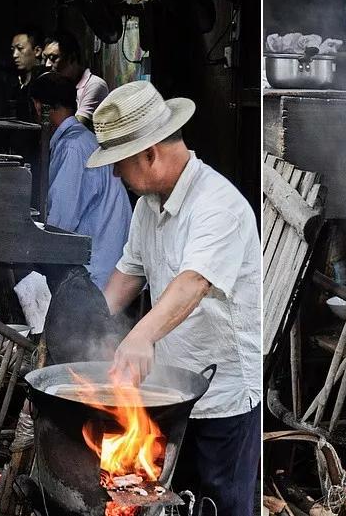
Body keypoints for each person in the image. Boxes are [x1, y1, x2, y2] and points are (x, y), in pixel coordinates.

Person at [88, 81, 261, 516]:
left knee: (221, 506)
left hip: (224, 399)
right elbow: (130, 273)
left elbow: (192, 283)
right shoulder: (148, 205)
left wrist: (140, 336)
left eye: (119, 163)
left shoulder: (218, 205)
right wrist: (87, 326)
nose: (114, 175)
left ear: (150, 154)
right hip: (172, 393)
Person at [28, 72, 132, 290]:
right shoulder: (80, 139)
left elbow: (60, 223)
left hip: (97, 274)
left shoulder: (72, 147)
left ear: (39, 107)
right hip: (109, 265)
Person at [42, 31, 109, 130]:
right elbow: (45, 123)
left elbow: (74, 129)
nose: (47, 64)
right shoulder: (57, 85)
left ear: (72, 58)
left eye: (53, 58)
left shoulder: (94, 85)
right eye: (45, 58)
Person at [10, 27, 46, 120]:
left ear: (37, 51)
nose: (15, 55)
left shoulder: (46, 82)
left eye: (20, 49)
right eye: (13, 50)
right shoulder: (15, 83)